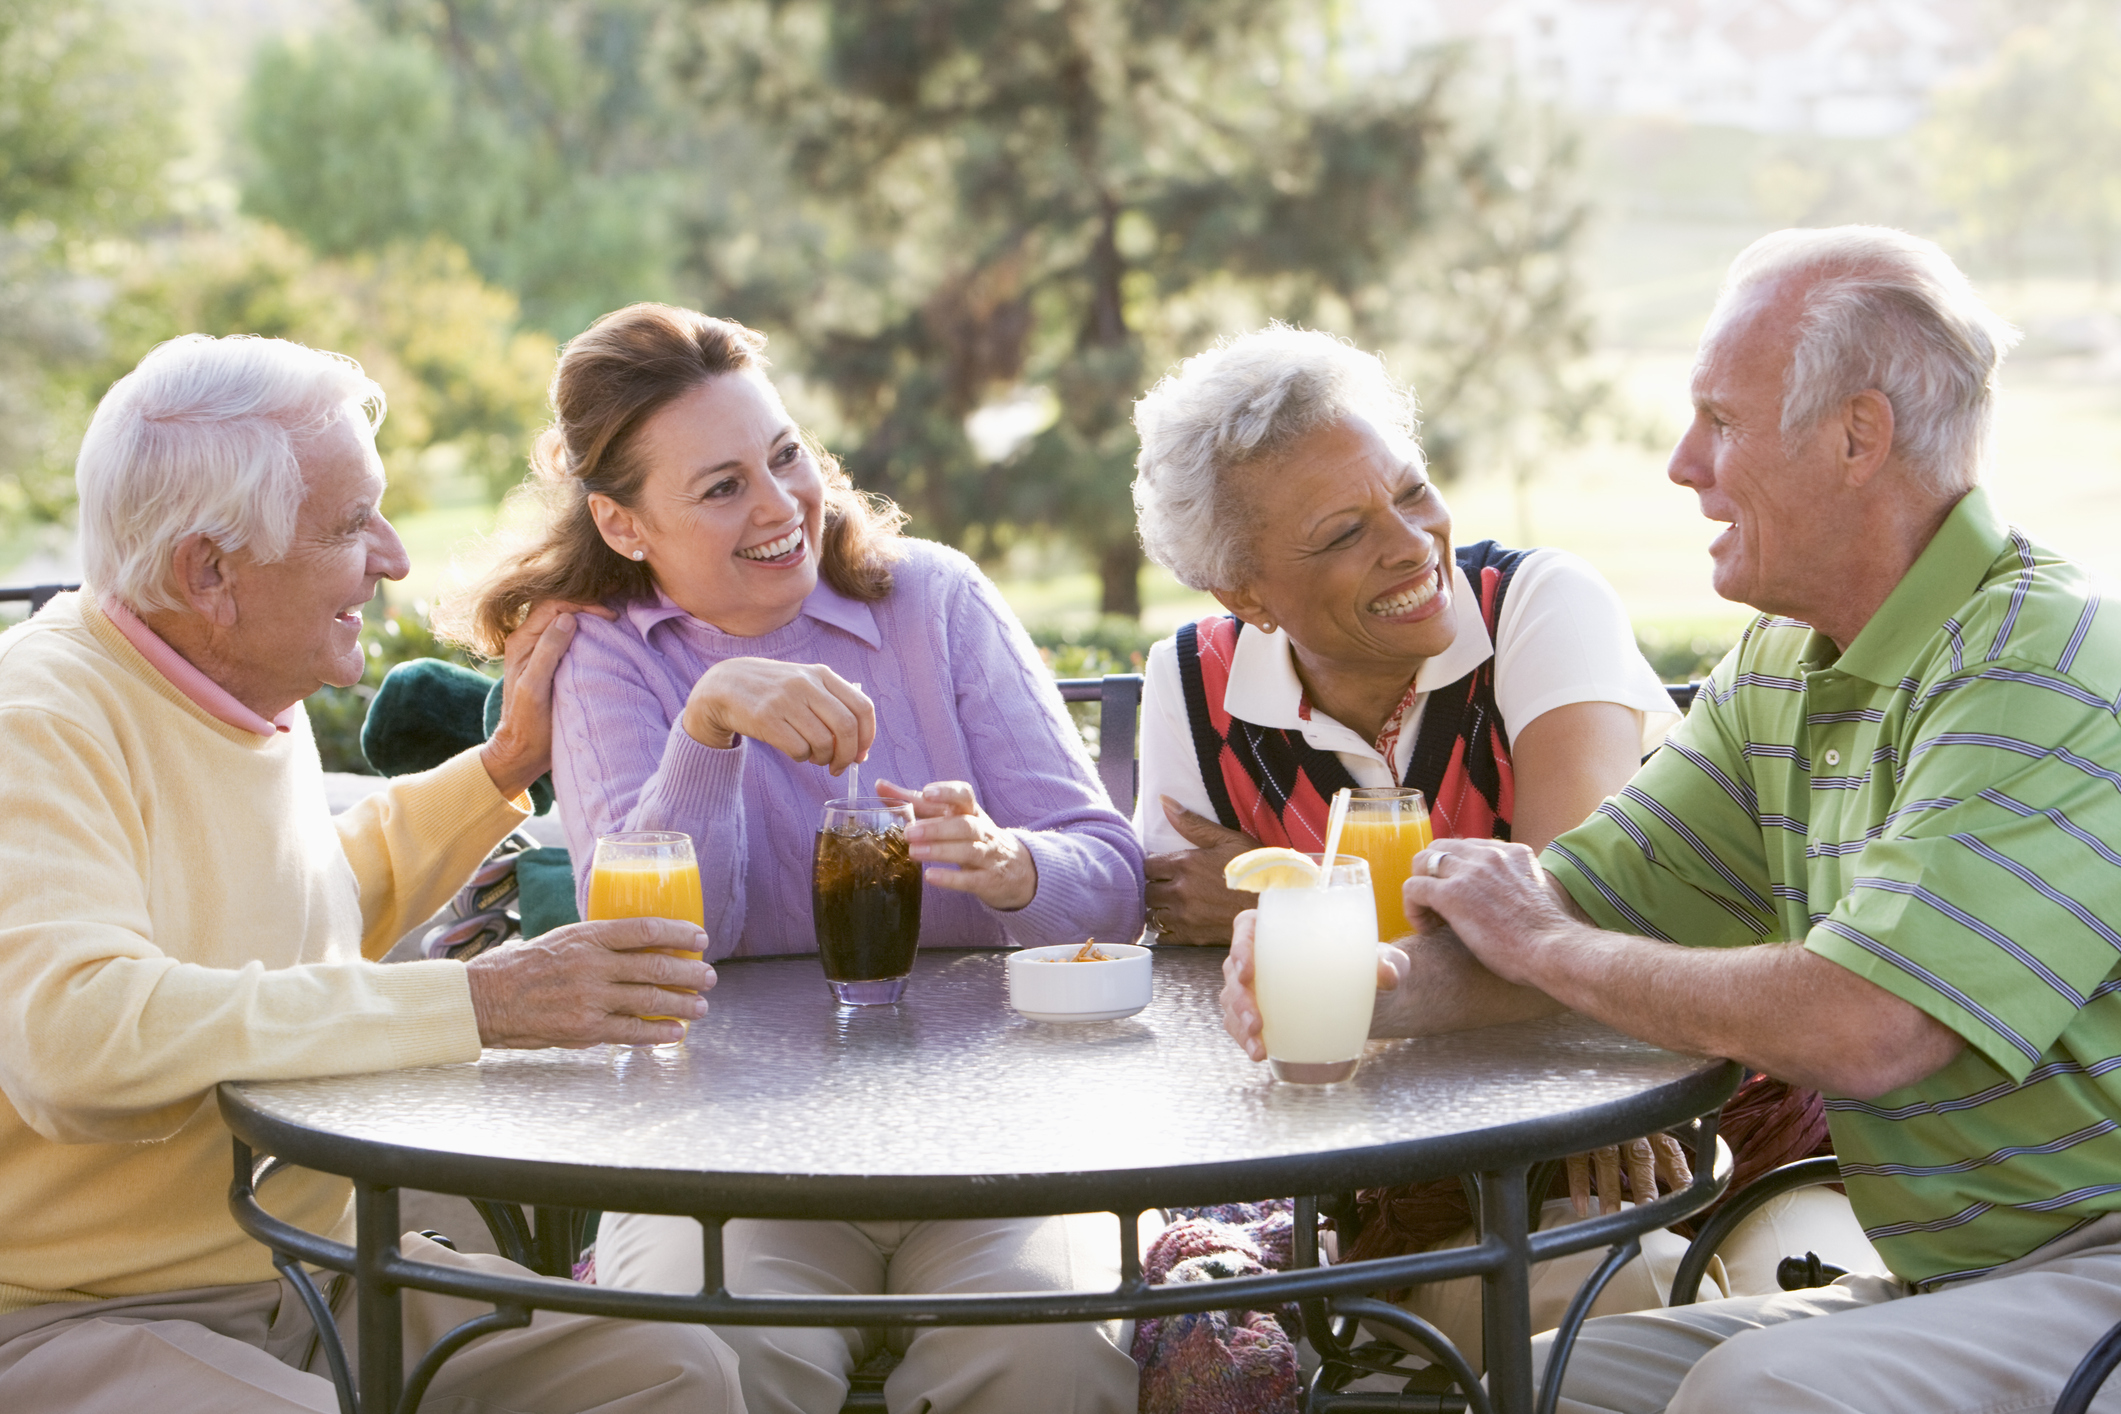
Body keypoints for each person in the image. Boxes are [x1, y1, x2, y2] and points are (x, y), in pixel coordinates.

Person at [1223, 226, 2121, 1414]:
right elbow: (1578, 905)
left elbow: (1873, 1027)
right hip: (1957, 1277)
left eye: (1723, 420)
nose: (1683, 463)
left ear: (1859, 435)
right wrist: (1366, 978)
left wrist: (1544, 945)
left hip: (2094, 1265)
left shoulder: (2046, 660)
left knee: (1753, 1393)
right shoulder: (1785, 668)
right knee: (1540, 1383)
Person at [0, 335, 743, 1411]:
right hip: (68, 1309)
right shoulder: (41, 721)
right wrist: (483, 999)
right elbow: (74, 1037)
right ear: (210, 571)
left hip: (311, 1271)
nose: (393, 556)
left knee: (669, 1371)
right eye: (351, 525)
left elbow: (296, 905)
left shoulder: (238, 678)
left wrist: (500, 769)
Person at [1128, 324, 1878, 1363]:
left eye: (1412, 489)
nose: (1408, 542)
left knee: (1777, 1321)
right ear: (1246, 592)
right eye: (1344, 531)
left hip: (1691, 1106)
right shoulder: (1190, 685)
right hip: (1420, 1170)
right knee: (1583, 1312)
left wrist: (1275, 912)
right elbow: (1189, 945)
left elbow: (1570, 914)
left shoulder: (1536, 605)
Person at [455, 303, 1144, 1414]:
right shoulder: (606, 659)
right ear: (625, 526)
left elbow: (1113, 875)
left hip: (995, 1136)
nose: (781, 508)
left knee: (1045, 1358)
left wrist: (1009, 862)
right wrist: (708, 725)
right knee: (712, 1367)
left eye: (784, 457)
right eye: (721, 486)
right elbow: (660, 948)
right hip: (721, 1151)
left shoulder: (936, 600)